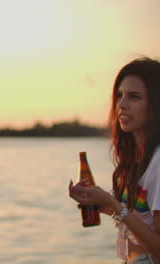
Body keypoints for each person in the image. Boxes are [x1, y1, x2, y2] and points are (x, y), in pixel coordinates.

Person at [69, 57, 160, 263]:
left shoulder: (158, 161)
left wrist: (115, 205)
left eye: (134, 97)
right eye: (119, 96)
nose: (122, 104)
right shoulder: (137, 160)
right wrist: (104, 205)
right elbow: (144, 222)